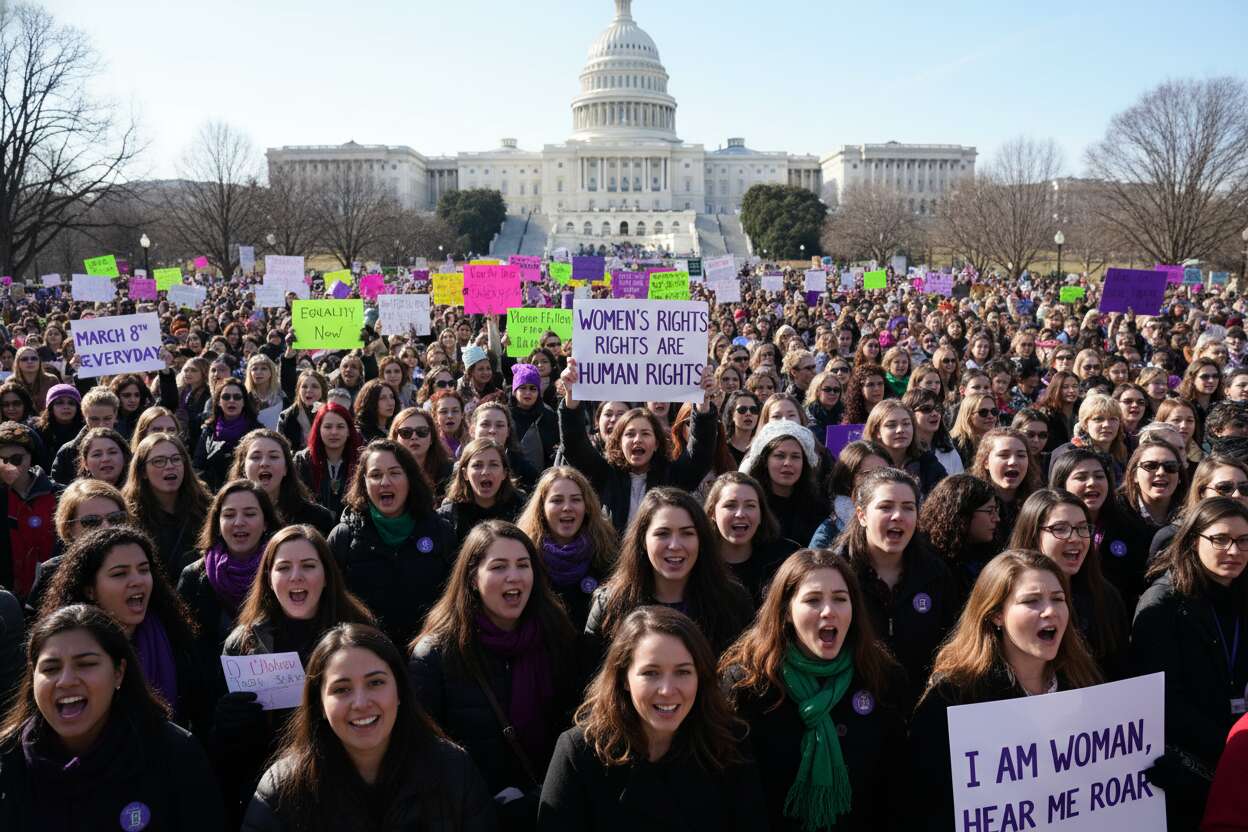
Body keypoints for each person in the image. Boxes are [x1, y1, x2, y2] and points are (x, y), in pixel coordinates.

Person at [908, 550, 1103, 832]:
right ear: (996, 614)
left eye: (1058, 599)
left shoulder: (1085, 683)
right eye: (1031, 601)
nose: (1050, 611)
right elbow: (923, 802)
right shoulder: (953, 698)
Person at [242, 623, 496, 832]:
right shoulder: (282, 790)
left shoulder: (454, 771)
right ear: (319, 703)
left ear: (400, 691)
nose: (361, 703)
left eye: (375, 683)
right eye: (341, 689)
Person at [410, 521, 581, 830]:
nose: (513, 576)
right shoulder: (436, 654)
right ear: (473, 578)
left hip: (546, 809)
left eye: (522, 565)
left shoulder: (558, 636)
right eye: (499, 566)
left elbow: (575, 726)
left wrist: (536, 797)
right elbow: (423, 753)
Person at [720, 548, 907, 831]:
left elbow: (896, 787)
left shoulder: (882, 677)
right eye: (813, 600)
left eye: (840, 599)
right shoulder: (747, 684)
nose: (829, 611)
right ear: (786, 613)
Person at [538, 606, 766, 832]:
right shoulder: (579, 752)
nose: (667, 690)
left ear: (700, 677)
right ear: (624, 678)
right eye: (650, 673)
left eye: (683, 672)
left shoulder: (728, 744)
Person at [0, 604, 223, 829]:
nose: (66, 681)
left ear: (119, 672)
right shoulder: (8, 759)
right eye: (50, 669)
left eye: (86, 664)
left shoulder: (174, 755)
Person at [216, 525, 375, 825]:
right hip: (273, 798)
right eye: (284, 567)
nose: (296, 577)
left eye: (308, 566)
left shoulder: (361, 635)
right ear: (268, 578)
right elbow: (226, 758)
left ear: (327, 575)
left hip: (348, 790)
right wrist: (228, 727)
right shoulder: (241, 643)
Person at [1132, 498, 1248, 830]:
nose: (1234, 550)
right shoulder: (1162, 604)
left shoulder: (1242, 593)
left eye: (1243, 541)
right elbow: (1162, 699)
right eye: (1220, 539)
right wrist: (1229, 745)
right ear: (1194, 539)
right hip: (1190, 773)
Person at [38, 526, 203, 724]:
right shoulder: (56, 648)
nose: (137, 581)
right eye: (119, 574)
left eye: (143, 570)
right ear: (90, 590)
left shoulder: (176, 640)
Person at [833, 468, 957, 708]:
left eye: (908, 507)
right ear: (862, 515)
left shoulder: (936, 574)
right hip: (851, 709)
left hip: (920, 708)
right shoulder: (835, 574)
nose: (898, 516)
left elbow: (951, 643)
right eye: (886, 507)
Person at [583, 488, 753, 662]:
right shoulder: (611, 605)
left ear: (701, 540)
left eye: (687, 533)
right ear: (642, 540)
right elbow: (593, 682)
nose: (675, 545)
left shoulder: (733, 602)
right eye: (662, 534)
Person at [558, 357, 717, 535]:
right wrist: (571, 395)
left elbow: (700, 453)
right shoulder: (604, 475)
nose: (637, 440)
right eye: (630, 434)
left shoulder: (672, 476)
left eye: (645, 434)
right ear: (619, 442)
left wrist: (703, 405)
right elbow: (574, 446)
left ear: (656, 444)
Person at [328, 439, 457, 647]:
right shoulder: (343, 537)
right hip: (365, 656)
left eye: (395, 473)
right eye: (376, 475)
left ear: (410, 479)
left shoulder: (441, 532)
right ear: (364, 482)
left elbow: (454, 600)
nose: (385, 482)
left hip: (428, 653)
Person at [1008, 489, 1129, 679]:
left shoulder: (1106, 597)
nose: (1075, 538)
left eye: (1082, 528)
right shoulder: (1005, 592)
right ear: (1033, 533)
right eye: (1060, 529)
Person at [177, 479, 280, 654]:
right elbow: (183, 645)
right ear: (217, 524)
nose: (239, 522)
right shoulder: (194, 577)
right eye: (229, 515)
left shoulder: (280, 572)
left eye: (250, 514)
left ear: (266, 523)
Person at [514, 467, 618, 629]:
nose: (567, 507)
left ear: (587, 506)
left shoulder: (606, 553)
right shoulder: (525, 557)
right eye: (557, 500)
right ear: (542, 508)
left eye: (576, 499)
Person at [703, 471, 800, 606]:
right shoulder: (698, 560)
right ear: (712, 513)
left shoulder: (785, 559)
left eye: (750, 506)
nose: (740, 514)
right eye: (730, 505)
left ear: (761, 514)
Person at [123, 433, 211, 579]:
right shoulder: (129, 517)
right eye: (159, 461)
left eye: (176, 459)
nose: (170, 466)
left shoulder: (206, 507)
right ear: (143, 471)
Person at [739, 420, 828, 547]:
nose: (787, 463)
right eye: (780, 456)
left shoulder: (818, 507)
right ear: (765, 461)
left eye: (795, 457)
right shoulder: (752, 504)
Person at [229, 429, 335, 536]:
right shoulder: (227, 517)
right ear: (243, 468)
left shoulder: (317, 519)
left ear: (286, 468)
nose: (264, 463)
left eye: (273, 457)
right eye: (256, 457)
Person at [0, 421, 62, 602]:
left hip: (53, 593)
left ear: (30, 457)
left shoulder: (59, 495)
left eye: (16, 459)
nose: (8, 466)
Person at [917, 473, 1001, 601]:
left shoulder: (985, 554)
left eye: (996, 511)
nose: (997, 518)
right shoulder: (929, 565)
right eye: (990, 511)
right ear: (963, 514)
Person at [438, 438, 530, 545]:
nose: (485, 472)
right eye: (477, 465)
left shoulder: (523, 509)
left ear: (504, 473)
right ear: (465, 474)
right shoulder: (449, 516)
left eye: (493, 465)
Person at [293, 402, 364, 521]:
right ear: (318, 430)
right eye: (328, 427)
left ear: (348, 431)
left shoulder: (360, 461)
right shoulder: (303, 461)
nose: (334, 432)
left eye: (340, 426)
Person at [809, 440, 887, 548]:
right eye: (867, 474)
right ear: (848, 478)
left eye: (883, 472)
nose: (877, 478)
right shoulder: (828, 534)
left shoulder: (906, 517)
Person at [863, 398, 947, 496]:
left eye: (906, 424)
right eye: (891, 425)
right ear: (877, 431)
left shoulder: (928, 463)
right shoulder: (865, 465)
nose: (900, 430)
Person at [969, 427, 1042, 536]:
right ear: (986, 462)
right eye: (1004, 455)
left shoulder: (1038, 504)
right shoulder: (971, 504)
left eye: (1021, 455)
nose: (1013, 462)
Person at [194, 377, 262, 491]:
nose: (231, 400)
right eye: (226, 397)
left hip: (248, 491)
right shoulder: (208, 430)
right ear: (218, 402)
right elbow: (198, 465)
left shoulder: (256, 431)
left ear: (244, 401)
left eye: (237, 397)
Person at [390, 406, 454, 497]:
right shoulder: (385, 471)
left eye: (422, 431)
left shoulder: (449, 472)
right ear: (395, 438)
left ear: (432, 438)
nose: (414, 437)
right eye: (406, 432)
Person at [509, 363, 559, 472]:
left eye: (533, 389)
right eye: (523, 388)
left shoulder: (548, 415)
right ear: (514, 391)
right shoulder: (505, 417)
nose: (528, 393)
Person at [902, 388, 963, 476]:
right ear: (910, 413)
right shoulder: (902, 450)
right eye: (926, 409)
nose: (935, 413)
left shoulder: (947, 450)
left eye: (938, 408)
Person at [277, 368, 326, 452]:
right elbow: (280, 449)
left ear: (323, 390)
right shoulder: (286, 416)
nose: (309, 390)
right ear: (298, 390)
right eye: (304, 386)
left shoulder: (331, 414)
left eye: (315, 386)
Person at [948, 393, 998, 468]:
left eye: (994, 411)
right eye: (983, 412)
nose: (990, 416)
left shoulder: (999, 441)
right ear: (968, 415)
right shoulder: (954, 444)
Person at [352, 378, 397, 444]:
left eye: (392, 397)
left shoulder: (397, 429)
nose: (390, 403)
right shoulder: (360, 435)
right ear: (370, 402)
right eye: (383, 398)